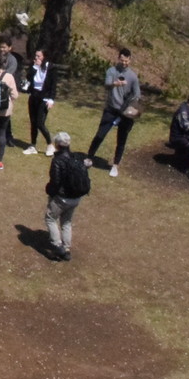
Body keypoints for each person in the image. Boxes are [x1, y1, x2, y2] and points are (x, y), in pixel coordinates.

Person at [86, 48, 142, 178]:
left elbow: (137, 94)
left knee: (121, 140)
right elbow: (106, 84)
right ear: (118, 59)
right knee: (100, 135)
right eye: (122, 60)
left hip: (124, 112)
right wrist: (115, 84)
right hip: (111, 109)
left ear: (130, 60)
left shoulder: (133, 76)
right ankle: (89, 157)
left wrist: (131, 103)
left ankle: (115, 165)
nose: (124, 63)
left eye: (126, 61)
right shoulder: (111, 71)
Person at [43, 131, 89, 260]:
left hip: (61, 198)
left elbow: (55, 181)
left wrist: (50, 192)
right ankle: (67, 247)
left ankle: (58, 247)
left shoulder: (57, 161)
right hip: (76, 198)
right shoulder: (76, 158)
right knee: (66, 222)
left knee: (50, 219)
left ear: (57, 145)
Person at [21, 48, 58, 155]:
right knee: (33, 122)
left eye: (39, 56)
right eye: (35, 56)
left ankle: (50, 145)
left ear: (44, 57)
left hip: (44, 98)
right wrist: (35, 67)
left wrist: (51, 100)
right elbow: (28, 77)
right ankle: (33, 145)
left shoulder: (51, 68)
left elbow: (53, 86)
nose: (36, 58)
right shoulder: (34, 67)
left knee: (40, 123)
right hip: (34, 96)